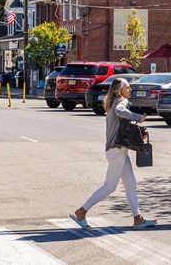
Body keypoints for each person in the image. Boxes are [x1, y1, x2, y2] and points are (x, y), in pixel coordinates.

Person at [70, 78, 157, 230]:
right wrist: (138, 117)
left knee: (131, 183)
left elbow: (122, 125)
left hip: (120, 151)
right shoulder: (121, 101)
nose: (130, 90)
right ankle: (81, 212)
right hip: (117, 152)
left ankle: (138, 218)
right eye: (128, 87)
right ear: (120, 90)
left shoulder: (114, 102)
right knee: (109, 186)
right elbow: (121, 112)